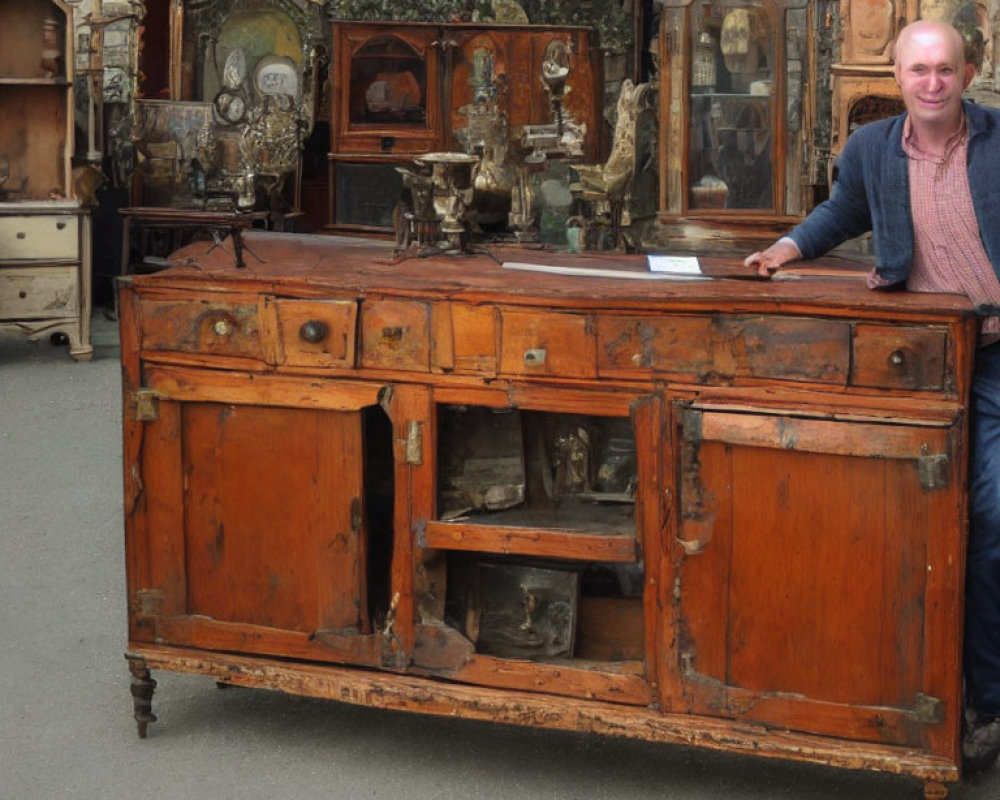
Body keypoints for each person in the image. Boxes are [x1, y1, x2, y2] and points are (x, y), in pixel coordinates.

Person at [745, 19, 1000, 773]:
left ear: (968, 72)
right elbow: (840, 213)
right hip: (921, 361)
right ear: (897, 76)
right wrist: (783, 251)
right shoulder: (870, 151)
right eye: (917, 69)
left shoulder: (998, 142)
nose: (931, 83)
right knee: (904, 519)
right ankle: (911, 684)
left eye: (944, 69)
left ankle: (984, 700)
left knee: (984, 517)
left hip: (994, 359)